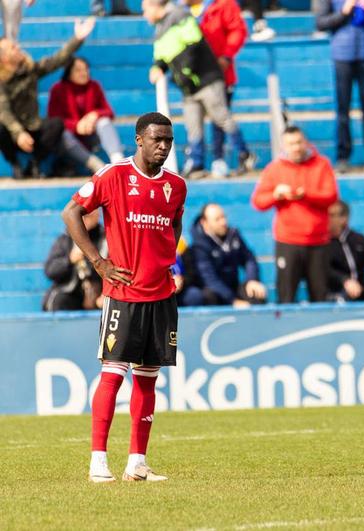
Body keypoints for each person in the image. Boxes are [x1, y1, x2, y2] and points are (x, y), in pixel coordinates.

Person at [61, 112, 187, 483]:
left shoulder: (176, 185)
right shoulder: (113, 176)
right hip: (123, 293)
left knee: (148, 380)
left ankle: (137, 462)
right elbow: (71, 212)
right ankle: (98, 461)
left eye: (168, 140)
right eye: (156, 139)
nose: (163, 146)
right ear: (138, 139)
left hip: (161, 295)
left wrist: (170, 264)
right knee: (113, 375)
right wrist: (99, 263)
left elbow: (174, 223)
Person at [143, 0, 256, 179]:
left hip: (206, 79)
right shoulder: (159, 29)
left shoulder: (180, 15)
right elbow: (162, 57)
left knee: (220, 117)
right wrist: (157, 68)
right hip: (188, 87)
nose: (144, 15)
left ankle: (245, 154)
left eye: (145, 9)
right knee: (193, 125)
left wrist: (186, 71)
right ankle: (196, 163)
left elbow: (193, 43)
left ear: (156, 6)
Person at [0, 18, 105, 179]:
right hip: (13, 133)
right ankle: (16, 164)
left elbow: (57, 60)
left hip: (33, 130)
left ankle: (35, 163)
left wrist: (77, 39)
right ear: (4, 58)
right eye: (13, 48)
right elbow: (4, 111)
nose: (18, 48)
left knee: (56, 124)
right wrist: (19, 133)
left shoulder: (30, 70)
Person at [251, 125, 338, 303]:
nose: (296, 147)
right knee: (286, 295)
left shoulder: (322, 164)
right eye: (291, 144)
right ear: (284, 146)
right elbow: (258, 201)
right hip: (288, 241)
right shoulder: (275, 169)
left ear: (305, 143)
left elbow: (331, 196)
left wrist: (305, 193)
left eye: (299, 142)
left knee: (320, 295)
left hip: (318, 241)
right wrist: (276, 194)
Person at [315, 0, 364, 173]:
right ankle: (343, 156)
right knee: (343, 111)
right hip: (342, 56)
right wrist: (344, 11)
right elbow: (320, 23)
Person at [184, 0, 248, 178]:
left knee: (218, 117)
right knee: (194, 120)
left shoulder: (224, 5)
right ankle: (196, 161)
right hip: (194, 78)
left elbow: (238, 30)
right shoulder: (181, 11)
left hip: (219, 74)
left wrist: (227, 56)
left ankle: (219, 159)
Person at [47, 56, 125, 164]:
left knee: (104, 122)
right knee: (63, 134)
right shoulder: (57, 89)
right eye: (78, 70)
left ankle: (118, 161)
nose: (84, 73)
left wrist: (94, 114)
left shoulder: (94, 86)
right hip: (69, 138)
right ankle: (96, 165)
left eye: (86, 69)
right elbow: (54, 120)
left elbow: (109, 112)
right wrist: (77, 126)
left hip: (90, 134)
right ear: (68, 73)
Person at [189, 203, 267, 307]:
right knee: (208, 296)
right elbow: (209, 279)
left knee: (255, 293)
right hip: (214, 291)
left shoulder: (233, 235)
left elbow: (248, 258)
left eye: (223, 217)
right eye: (217, 219)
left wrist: (252, 279)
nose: (223, 222)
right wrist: (233, 300)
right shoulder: (199, 245)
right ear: (205, 223)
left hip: (232, 286)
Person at [42, 209, 106, 312]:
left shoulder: (105, 239)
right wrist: (70, 260)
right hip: (71, 292)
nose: (85, 217)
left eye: (89, 214)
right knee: (58, 300)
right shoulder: (65, 239)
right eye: (82, 214)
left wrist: (106, 294)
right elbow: (50, 271)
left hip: (98, 293)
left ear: (97, 215)